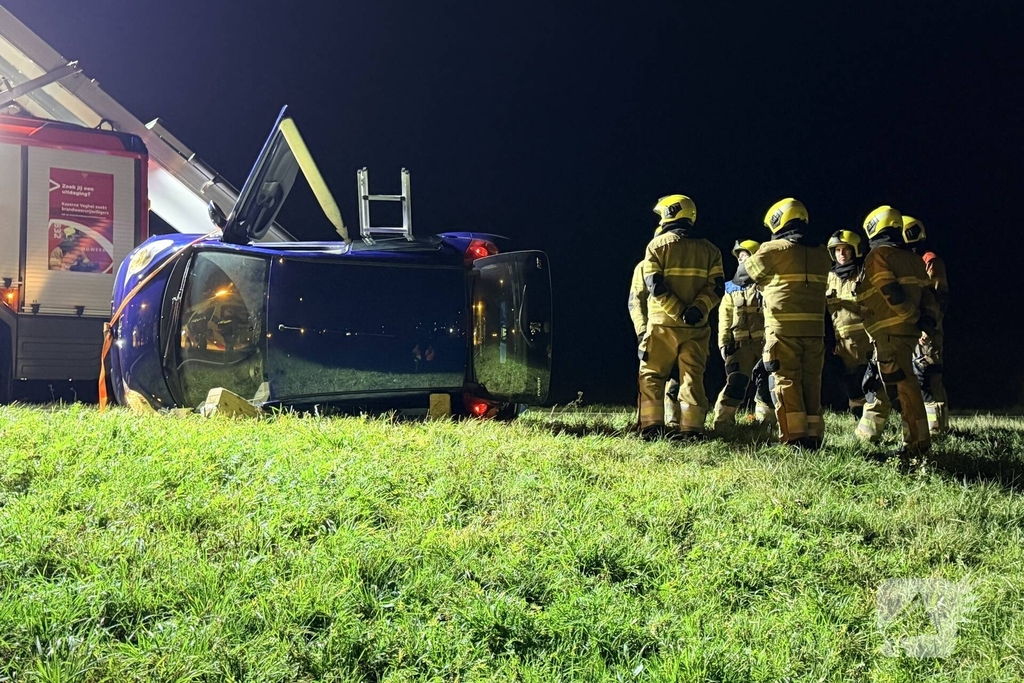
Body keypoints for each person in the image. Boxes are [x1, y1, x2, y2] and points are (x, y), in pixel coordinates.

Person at [733, 198, 831, 448]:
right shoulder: (822, 253)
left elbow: (741, 277)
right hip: (815, 330)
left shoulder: (773, 249)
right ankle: (814, 437)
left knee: (786, 381)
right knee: (812, 382)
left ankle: (795, 438)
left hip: (783, 330)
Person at [637, 194, 724, 439]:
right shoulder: (711, 250)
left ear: (670, 213)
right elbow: (717, 287)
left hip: (662, 326)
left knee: (652, 375)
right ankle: (692, 430)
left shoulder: (656, 246)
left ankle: (652, 428)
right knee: (692, 377)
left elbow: (655, 285)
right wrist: (697, 309)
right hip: (696, 327)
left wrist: (678, 311)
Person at [854, 206, 939, 455]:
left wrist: (911, 316)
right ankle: (915, 440)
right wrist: (924, 321)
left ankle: (916, 444)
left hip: (890, 332)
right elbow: (929, 296)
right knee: (902, 385)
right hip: (906, 333)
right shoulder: (913, 259)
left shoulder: (878, 256)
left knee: (903, 388)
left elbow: (889, 291)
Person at [712, 239, 773, 427]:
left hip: (764, 345)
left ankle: (767, 421)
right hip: (739, 346)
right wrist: (723, 343)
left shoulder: (767, 285)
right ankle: (723, 421)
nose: (742, 260)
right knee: (736, 381)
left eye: (745, 256)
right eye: (739, 257)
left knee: (766, 382)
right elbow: (724, 318)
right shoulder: (730, 288)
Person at [902, 215, 950, 434]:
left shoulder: (929, 260)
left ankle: (938, 429)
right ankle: (926, 425)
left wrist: (928, 326)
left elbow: (939, 297)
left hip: (927, 329)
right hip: (912, 326)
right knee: (916, 377)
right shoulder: (907, 261)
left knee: (929, 376)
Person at [629, 252, 682, 429]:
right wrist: (642, 331)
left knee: (678, 377)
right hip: (654, 332)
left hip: (682, 331)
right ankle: (647, 424)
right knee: (650, 378)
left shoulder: (681, 263)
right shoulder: (643, 267)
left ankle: (673, 421)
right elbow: (636, 302)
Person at [825, 229, 872, 418]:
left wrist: (845, 303)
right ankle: (857, 415)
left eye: (846, 249)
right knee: (848, 380)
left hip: (865, 338)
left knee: (869, 379)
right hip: (842, 342)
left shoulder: (864, 273)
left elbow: (872, 306)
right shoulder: (829, 277)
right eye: (837, 250)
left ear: (855, 250)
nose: (841, 254)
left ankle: (873, 415)